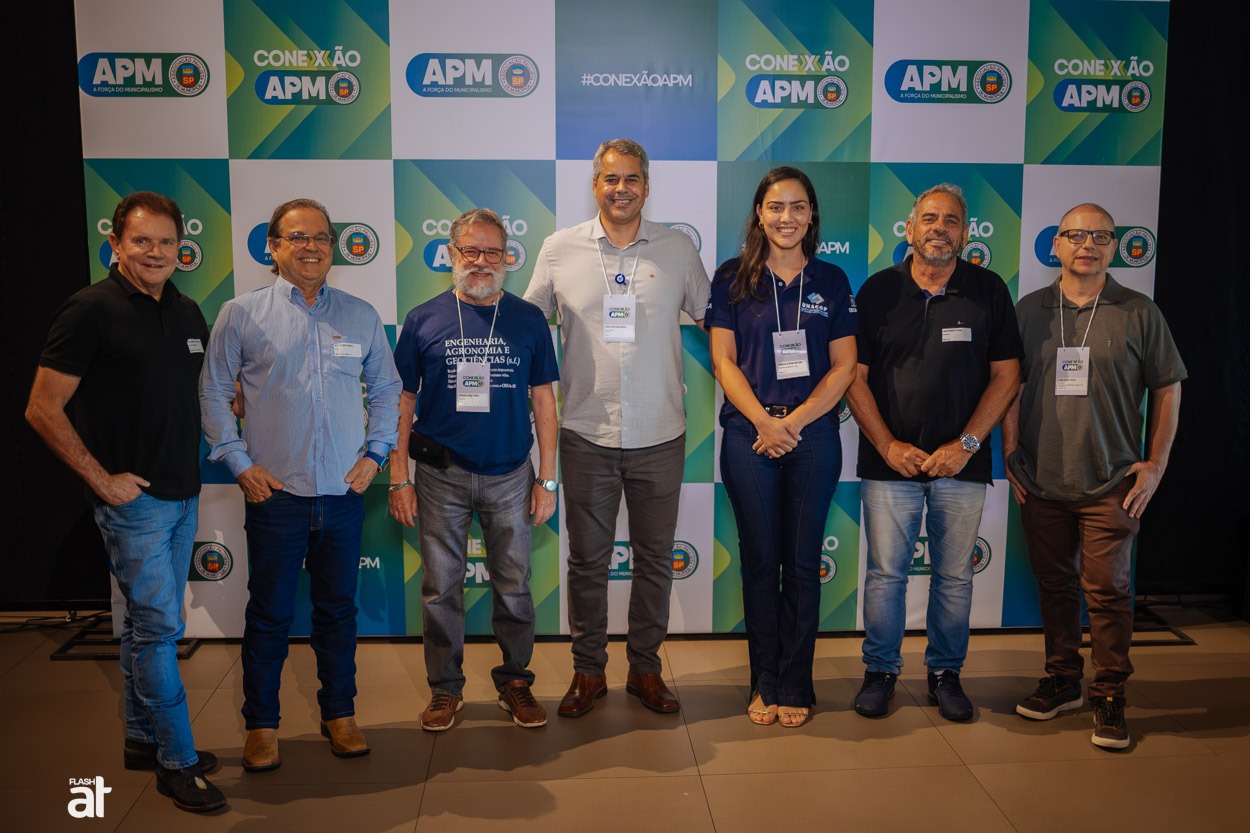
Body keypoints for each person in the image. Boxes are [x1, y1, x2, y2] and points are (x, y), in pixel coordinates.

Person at [26, 192, 225, 812]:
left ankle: (142, 738)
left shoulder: (188, 310)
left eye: (167, 242)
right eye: (142, 241)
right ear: (115, 244)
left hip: (184, 493)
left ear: (181, 248)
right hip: (134, 503)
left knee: (144, 626)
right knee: (161, 628)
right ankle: (177, 761)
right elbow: (42, 408)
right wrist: (102, 478)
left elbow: (197, 394)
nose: (156, 252)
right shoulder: (89, 309)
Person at [200, 198, 401, 771]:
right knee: (269, 615)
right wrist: (240, 463)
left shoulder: (360, 314)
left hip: (342, 494)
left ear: (332, 247)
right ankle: (261, 726)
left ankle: (340, 714)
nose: (311, 247)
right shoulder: (241, 313)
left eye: (321, 237)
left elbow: (387, 388)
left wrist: (376, 453)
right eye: (297, 237)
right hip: (276, 496)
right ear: (273, 246)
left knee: (337, 612)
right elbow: (213, 391)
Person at [524, 138, 711, 717]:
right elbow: (526, 328)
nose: (621, 189)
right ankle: (588, 672)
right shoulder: (559, 250)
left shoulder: (678, 248)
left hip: (661, 433)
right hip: (586, 434)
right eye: (610, 179)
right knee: (587, 562)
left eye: (631, 179)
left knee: (655, 559)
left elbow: (718, 323)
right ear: (595, 185)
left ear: (646, 186)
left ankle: (645, 670)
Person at [1004, 203, 1185, 750]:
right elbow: (1010, 386)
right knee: (1055, 586)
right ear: (1056, 244)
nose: (1088, 244)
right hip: (1041, 479)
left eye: (1101, 236)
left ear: (1113, 247)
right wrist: (1010, 452)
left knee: (1107, 592)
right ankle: (1063, 680)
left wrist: (1156, 464)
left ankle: (1109, 694)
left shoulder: (1139, 312)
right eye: (1076, 235)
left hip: (1112, 480)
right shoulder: (1029, 310)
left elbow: (1168, 387)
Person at [846, 183, 1021, 722]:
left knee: (954, 577)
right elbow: (853, 378)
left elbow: (1007, 376)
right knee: (885, 576)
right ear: (909, 228)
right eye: (929, 218)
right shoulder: (877, 291)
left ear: (965, 234)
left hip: (961, 466)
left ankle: (946, 674)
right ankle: (880, 671)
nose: (939, 228)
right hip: (888, 464)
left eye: (950, 221)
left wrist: (966, 445)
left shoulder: (988, 289)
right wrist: (887, 444)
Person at [388, 208, 559, 732]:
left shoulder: (528, 318)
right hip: (440, 476)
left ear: (507, 258)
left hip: (511, 475)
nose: (481, 262)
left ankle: (515, 682)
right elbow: (402, 402)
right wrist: (399, 478)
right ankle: (445, 689)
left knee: (514, 587)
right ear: (451, 255)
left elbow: (544, 400)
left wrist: (547, 478)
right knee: (440, 588)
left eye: (492, 252)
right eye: (470, 251)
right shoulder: (423, 318)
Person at [705, 167, 857, 727]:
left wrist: (791, 423)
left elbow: (844, 368)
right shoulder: (732, 277)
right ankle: (763, 681)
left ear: (811, 214)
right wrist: (764, 424)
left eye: (797, 206)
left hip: (812, 434)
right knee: (759, 562)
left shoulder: (832, 280)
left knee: (801, 563)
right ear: (759, 214)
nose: (786, 217)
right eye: (775, 206)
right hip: (749, 434)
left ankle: (796, 683)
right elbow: (723, 361)